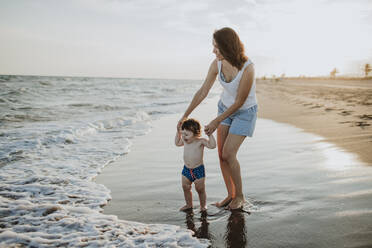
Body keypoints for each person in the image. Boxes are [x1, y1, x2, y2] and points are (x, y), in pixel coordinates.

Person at [177, 27, 257, 210]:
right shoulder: (216, 64)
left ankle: (240, 196)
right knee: (221, 156)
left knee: (229, 154)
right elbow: (203, 91)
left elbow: (240, 101)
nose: (213, 50)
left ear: (227, 46)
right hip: (224, 108)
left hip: (244, 112)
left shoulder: (248, 68)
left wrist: (215, 121)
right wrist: (185, 115)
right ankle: (231, 195)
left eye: (216, 47)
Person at [175, 118, 216, 212]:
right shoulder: (185, 141)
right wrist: (178, 132)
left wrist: (210, 135)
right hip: (186, 170)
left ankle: (203, 205)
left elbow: (212, 146)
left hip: (198, 170)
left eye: (187, 134)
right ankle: (189, 205)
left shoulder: (200, 141)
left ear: (196, 133)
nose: (184, 136)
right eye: (182, 133)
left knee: (200, 189)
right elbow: (177, 143)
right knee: (185, 187)